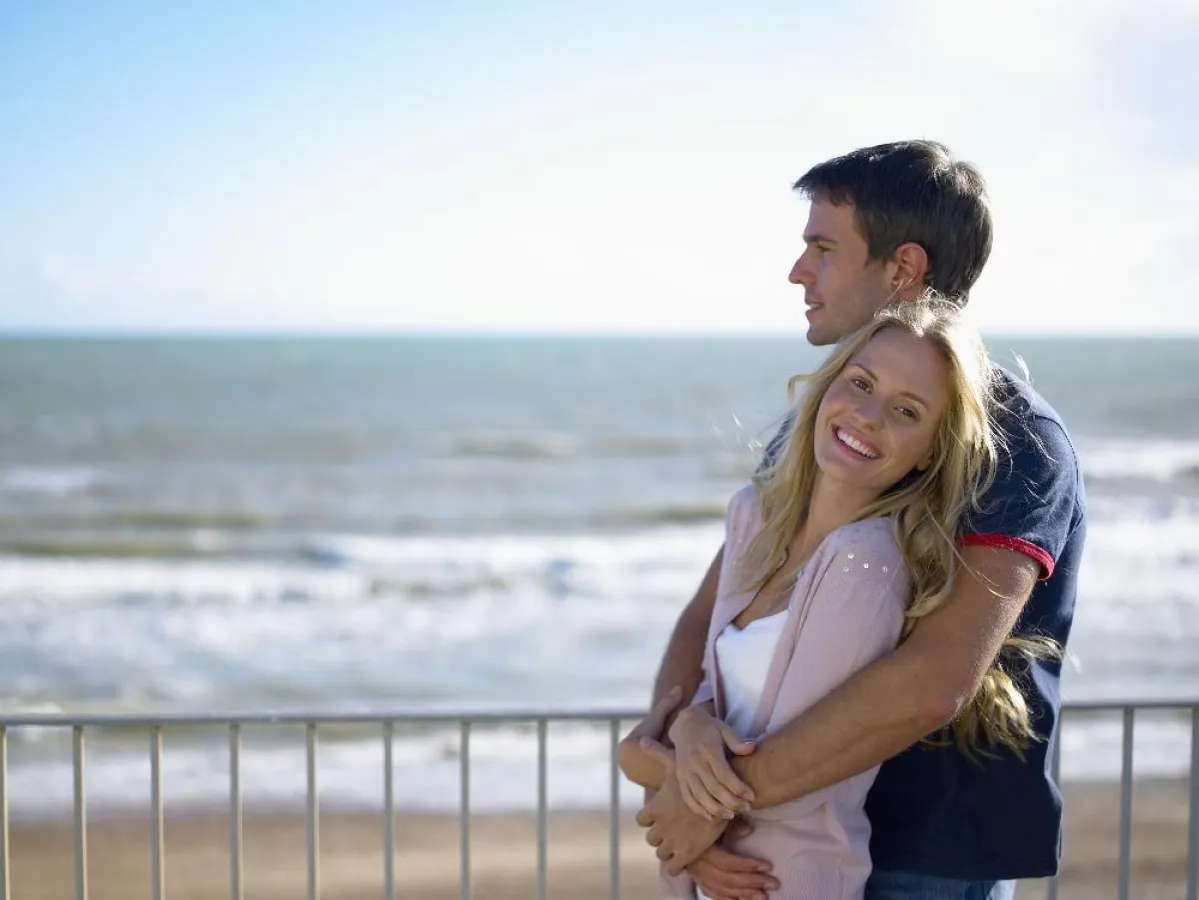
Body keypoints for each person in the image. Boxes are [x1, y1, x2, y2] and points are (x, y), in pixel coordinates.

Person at [626, 141, 1086, 900]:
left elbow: (933, 680)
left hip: (926, 858)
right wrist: (679, 758)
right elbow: (714, 614)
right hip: (777, 840)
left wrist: (706, 806)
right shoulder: (821, 422)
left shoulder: (1014, 440)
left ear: (901, 269)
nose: (798, 270)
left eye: (822, 247)